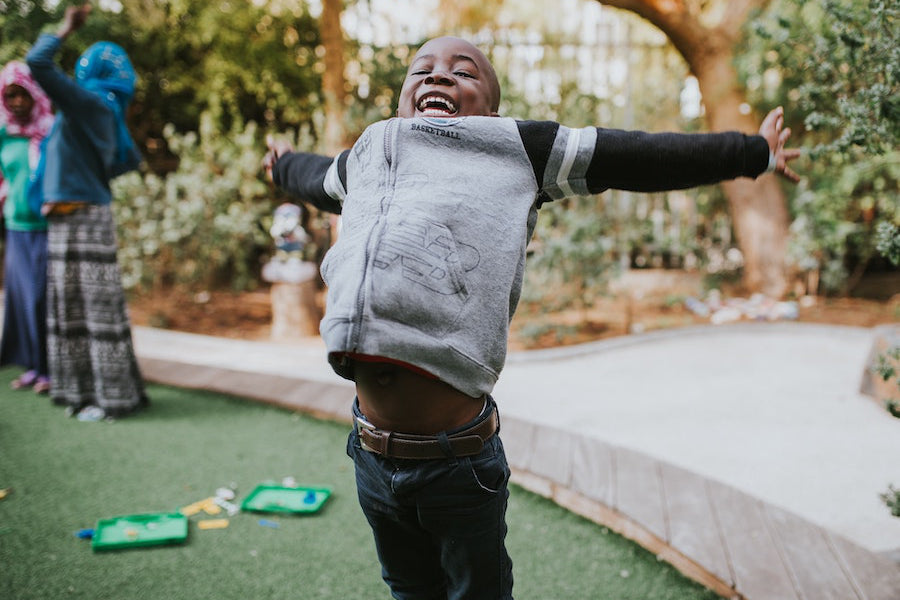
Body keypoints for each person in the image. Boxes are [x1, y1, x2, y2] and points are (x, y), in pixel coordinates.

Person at [265, 36, 800, 600]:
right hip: (370, 451)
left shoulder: (516, 146)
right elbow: (317, 177)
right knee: (407, 589)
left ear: (492, 111)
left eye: (463, 72)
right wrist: (283, 168)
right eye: (422, 69)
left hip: (456, 459)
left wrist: (750, 152)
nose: (439, 76)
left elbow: (635, 154)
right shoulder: (373, 153)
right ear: (402, 96)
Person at [25, 3, 147, 420]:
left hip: (84, 218)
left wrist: (65, 27)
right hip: (69, 216)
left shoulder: (91, 104)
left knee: (95, 313)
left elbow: (37, 63)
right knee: (73, 310)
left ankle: (111, 399)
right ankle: (83, 393)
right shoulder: (97, 108)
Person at [0, 61, 55, 394]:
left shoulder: (50, 129)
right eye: (11, 95)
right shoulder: (4, 134)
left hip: (47, 227)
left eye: (23, 94)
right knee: (20, 301)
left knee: (42, 300)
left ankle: (50, 368)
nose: (18, 102)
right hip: (15, 227)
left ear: (35, 94)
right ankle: (33, 367)